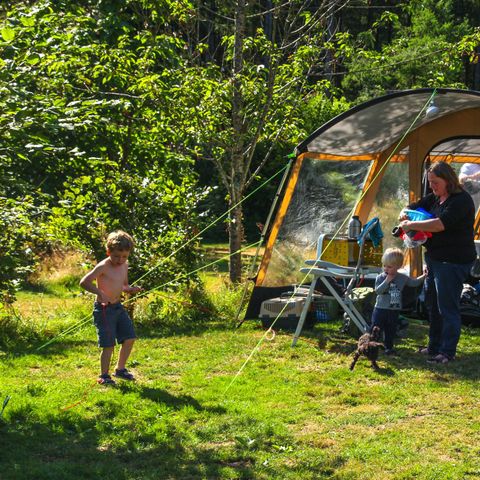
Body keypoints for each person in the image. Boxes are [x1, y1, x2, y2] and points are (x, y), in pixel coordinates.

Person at [399, 161, 476, 364]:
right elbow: (414, 206)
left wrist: (410, 224)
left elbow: (440, 224)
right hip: (434, 259)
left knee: (447, 307)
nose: (432, 186)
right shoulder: (436, 197)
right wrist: (404, 212)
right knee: (432, 305)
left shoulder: (461, 201)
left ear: (447, 180)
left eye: (435, 182)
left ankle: (447, 352)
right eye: (430, 182)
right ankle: (434, 346)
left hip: (453, 261)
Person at [80, 230, 142, 385]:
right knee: (108, 344)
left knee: (130, 338)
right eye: (116, 256)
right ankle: (104, 376)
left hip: (117, 307)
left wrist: (130, 289)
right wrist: (100, 293)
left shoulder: (124, 265)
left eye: (124, 256)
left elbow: (124, 285)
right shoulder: (103, 266)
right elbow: (84, 282)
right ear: (109, 252)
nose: (120, 260)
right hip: (104, 310)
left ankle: (120, 370)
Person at [372, 248, 425, 355]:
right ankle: (373, 346)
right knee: (376, 328)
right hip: (380, 308)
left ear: (398, 267)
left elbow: (414, 283)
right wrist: (387, 281)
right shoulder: (381, 277)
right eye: (384, 266)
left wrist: (424, 276)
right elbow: (378, 291)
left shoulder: (402, 277)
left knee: (391, 329)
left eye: (390, 267)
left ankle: (388, 348)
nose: (386, 269)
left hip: (393, 309)